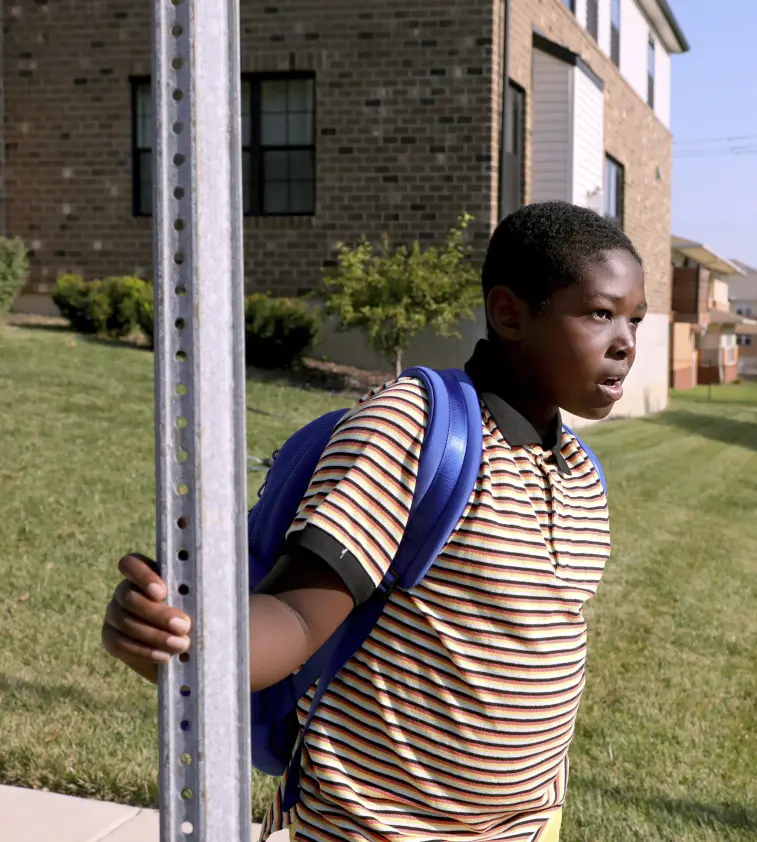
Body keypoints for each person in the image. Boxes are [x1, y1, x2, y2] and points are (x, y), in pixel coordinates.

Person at [99, 201, 647, 842]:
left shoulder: (581, 473)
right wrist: (186, 639)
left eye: (635, 319)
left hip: (526, 828)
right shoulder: (416, 429)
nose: (626, 343)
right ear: (509, 313)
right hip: (372, 828)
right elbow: (298, 614)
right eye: (600, 313)